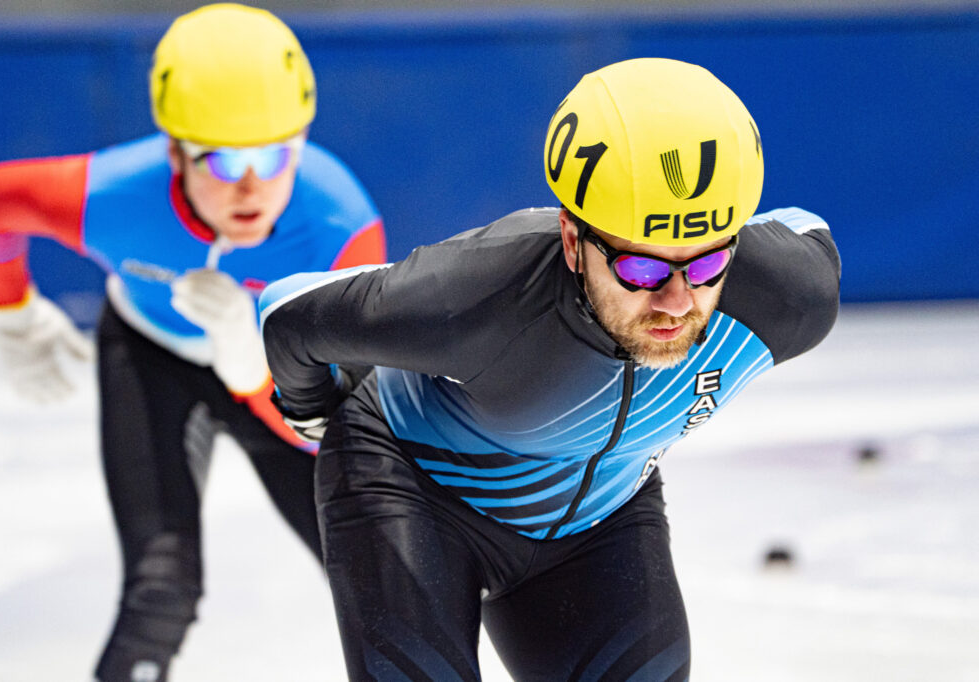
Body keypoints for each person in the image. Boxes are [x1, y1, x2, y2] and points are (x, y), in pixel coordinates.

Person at [260, 57, 840, 680]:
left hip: (601, 519)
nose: (676, 302)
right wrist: (316, 413)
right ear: (571, 239)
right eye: (641, 270)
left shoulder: (788, 296)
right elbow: (290, 316)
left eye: (703, 268)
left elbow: (806, 231)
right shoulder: (482, 295)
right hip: (412, 489)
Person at [0, 4, 385, 681]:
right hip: (150, 357)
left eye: (274, 154)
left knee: (378, 576)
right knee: (160, 593)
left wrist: (252, 367)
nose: (250, 186)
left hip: (281, 379)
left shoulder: (342, 228)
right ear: (175, 151)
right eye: (222, 160)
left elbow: (328, 431)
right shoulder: (107, 197)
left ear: (303, 143)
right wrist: (8, 305)